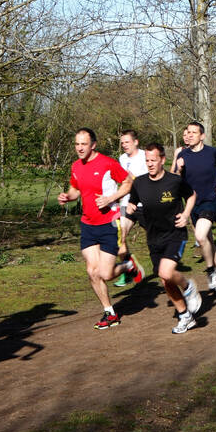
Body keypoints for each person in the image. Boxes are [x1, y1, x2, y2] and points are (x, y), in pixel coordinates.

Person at [58, 128, 140, 329]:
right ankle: (110, 312)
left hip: (109, 224)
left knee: (105, 273)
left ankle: (128, 267)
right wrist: (67, 196)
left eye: (83, 144)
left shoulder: (107, 163)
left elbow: (129, 182)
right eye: (77, 144)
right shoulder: (76, 166)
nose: (79, 148)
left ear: (93, 145)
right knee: (92, 272)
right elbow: (75, 189)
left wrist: (111, 198)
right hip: (88, 225)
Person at [125, 144, 203, 334]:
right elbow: (132, 203)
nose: (150, 164)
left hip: (175, 234)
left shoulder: (174, 181)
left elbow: (192, 195)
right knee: (165, 280)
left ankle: (188, 286)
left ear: (162, 160)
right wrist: (129, 208)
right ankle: (185, 316)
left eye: (153, 160)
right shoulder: (140, 183)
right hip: (154, 238)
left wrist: (185, 214)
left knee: (167, 272)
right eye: (147, 161)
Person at [172, 121, 216, 292]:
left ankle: (211, 271)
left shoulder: (212, 153)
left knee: (200, 235)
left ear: (202, 136)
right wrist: (179, 167)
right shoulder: (183, 155)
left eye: (194, 132)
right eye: (188, 132)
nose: (189, 135)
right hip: (192, 205)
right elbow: (174, 179)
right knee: (208, 241)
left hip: (210, 201)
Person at [113, 130, 150, 287]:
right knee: (116, 233)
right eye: (122, 143)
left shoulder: (145, 156)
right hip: (125, 204)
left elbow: (150, 179)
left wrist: (134, 179)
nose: (124, 145)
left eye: (127, 142)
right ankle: (129, 269)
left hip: (144, 204)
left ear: (136, 142)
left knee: (155, 237)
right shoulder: (122, 158)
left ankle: (165, 262)